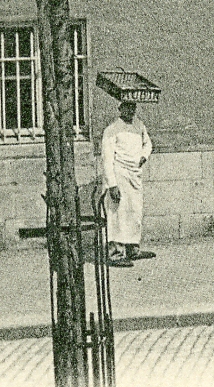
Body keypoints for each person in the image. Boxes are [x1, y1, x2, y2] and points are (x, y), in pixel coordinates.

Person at [102, 101, 155, 267]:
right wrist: (112, 185)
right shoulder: (111, 130)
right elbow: (107, 160)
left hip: (135, 175)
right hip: (120, 175)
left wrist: (143, 156)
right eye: (126, 107)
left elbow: (148, 144)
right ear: (120, 109)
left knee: (135, 211)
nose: (130, 111)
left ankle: (133, 249)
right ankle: (116, 253)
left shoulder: (139, 126)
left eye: (132, 107)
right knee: (118, 214)